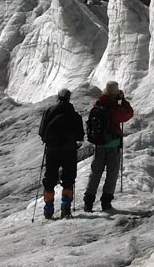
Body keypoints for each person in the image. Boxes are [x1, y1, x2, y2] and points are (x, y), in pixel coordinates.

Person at [83, 81, 134, 212]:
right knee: (111, 173)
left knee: (95, 172)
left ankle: (88, 201)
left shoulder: (98, 104)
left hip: (99, 144)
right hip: (113, 144)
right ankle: (106, 202)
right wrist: (122, 101)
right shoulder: (114, 108)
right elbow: (129, 114)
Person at [38, 88, 84, 219]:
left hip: (52, 150)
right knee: (68, 179)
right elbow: (80, 135)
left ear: (58, 97)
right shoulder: (75, 115)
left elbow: (42, 132)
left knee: (50, 179)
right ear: (69, 98)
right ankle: (65, 209)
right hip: (69, 150)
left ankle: (48, 209)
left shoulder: (49, 111)